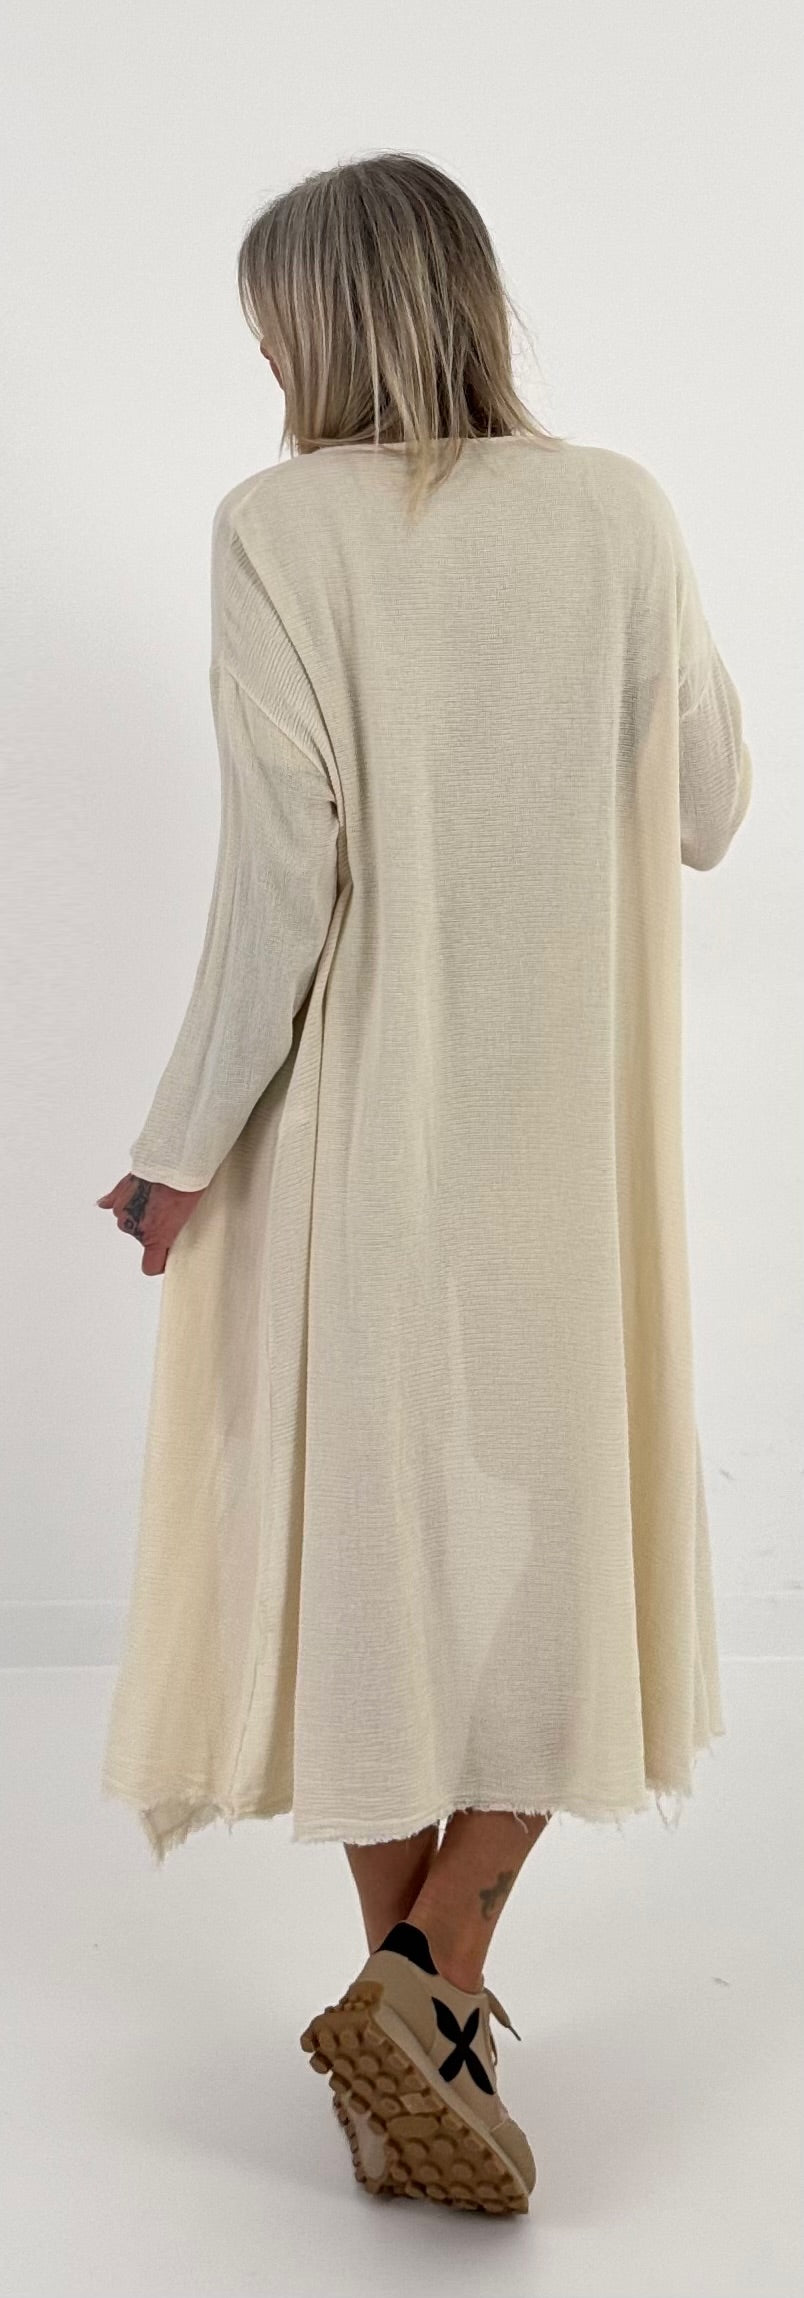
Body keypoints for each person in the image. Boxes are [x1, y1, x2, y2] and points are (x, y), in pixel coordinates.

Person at [98, 152, 753, 2215]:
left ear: (322, 325)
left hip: (357, 1146)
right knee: (561, 1555)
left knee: (372, 1565)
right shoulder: (620, 511)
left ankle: (415, 1994)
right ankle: (441, 1997)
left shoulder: (275, 528)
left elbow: (283, 882)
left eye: (272, 326)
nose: (267, 364)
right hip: (572, 1153)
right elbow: (714, 807)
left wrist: (178, 1148)